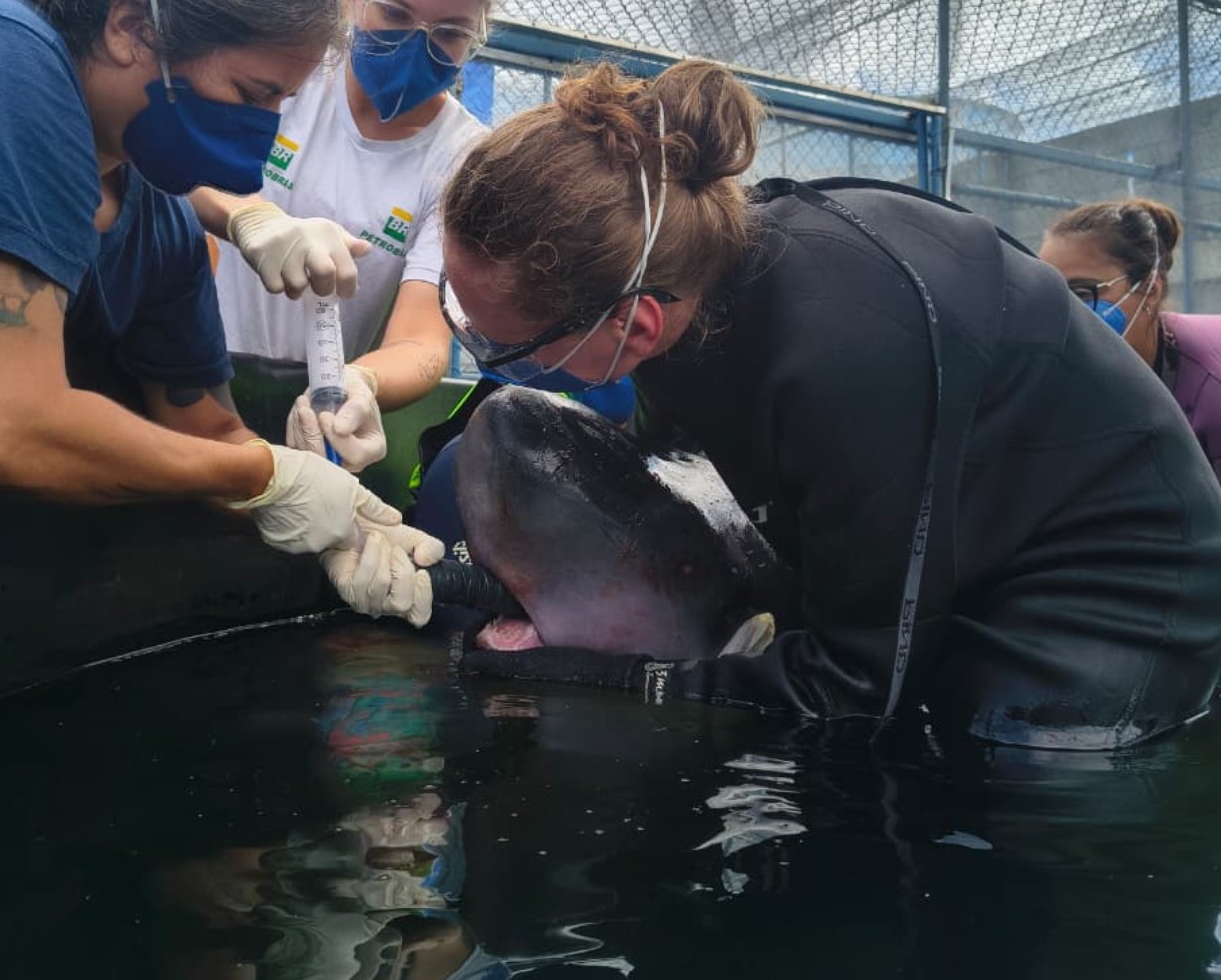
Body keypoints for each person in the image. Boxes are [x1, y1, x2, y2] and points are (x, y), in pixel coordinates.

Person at [426, 60, 1221, 750]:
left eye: (504, 345)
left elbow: (857, 685)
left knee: (995, 758)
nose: (502, 363)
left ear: (634, 325)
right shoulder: (681, 289)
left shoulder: (839, 352)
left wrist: (632, 680)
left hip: (1114, 574)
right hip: (958, 536)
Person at [0, 0, 446, 711]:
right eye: (250, 92)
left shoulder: (158, 220)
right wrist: (265, 483)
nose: (262, 129)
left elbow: (205, 426)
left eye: (280, 102)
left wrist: (337, 516)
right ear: (133, 25)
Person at [194, 0, 497, 484]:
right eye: (395, 13)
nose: (418, 47)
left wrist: (361, 381)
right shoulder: (293, 69)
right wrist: (247, 217)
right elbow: (176, 174)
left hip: (317, 403)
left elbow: (422, 338)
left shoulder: (463, 159)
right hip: (196, 367)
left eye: (450, 34)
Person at [1041, 198, 1221, 477]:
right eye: (1049, 295)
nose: (1064, 313)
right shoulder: (1069, 374)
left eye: (1081, 293)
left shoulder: (1211, 387)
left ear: (1150, 289)